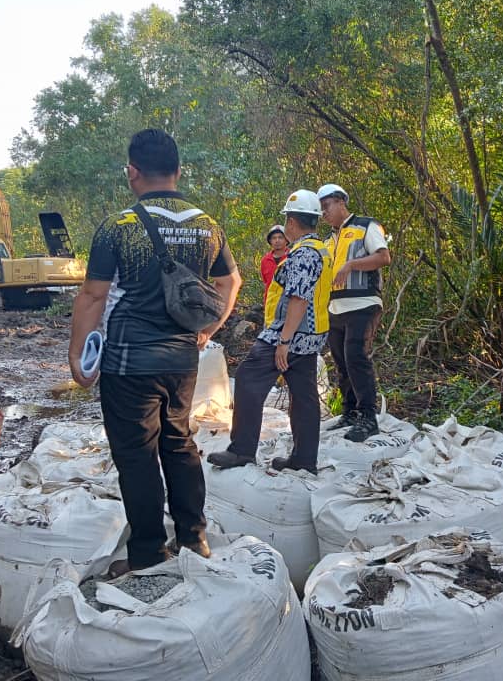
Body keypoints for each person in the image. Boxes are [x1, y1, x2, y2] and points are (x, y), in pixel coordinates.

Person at [68, 129, 241, 576]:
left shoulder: (120, 226)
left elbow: (92, 296)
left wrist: (78, 357)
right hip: (182, 360)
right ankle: (193, 538)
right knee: (179, 440)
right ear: (178, 171)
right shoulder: (207, 225)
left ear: (133, 173)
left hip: (129, 362)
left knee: (138, 454)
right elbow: (230, 283)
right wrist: (207, 330)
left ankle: (147, 550)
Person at [207, 190, 333, 474]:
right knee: (304, 396)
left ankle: (241, 450)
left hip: (288, 336)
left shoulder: (303, 254)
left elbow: (299, 299)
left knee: (250, 379)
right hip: (311, 337)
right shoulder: (321, 249)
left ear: (290, 222)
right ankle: (303, 459)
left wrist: (284, 341)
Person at [316, 183, 391, 442]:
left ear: (340, 202)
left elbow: (383, 257)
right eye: (320, 210)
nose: (324, 213)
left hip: (363, 302)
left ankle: (368, 417)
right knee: (341, 361)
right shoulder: (328, 240)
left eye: (326, 206)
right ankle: (350, 412)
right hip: (335, 307)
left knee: (356, 356)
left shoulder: (365, 226)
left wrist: (351, 265)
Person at [260, 224, 289, 299]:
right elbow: (266, 282)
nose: (277, 240)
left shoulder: (293, 257)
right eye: (274, 238)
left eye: (280, 237)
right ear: (270, 241)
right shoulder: (265, 260)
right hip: (270, 303)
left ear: (286, 240)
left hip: (287, 303)